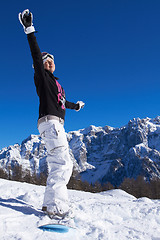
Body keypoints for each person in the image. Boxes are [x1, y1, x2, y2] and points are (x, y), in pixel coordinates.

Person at [18, 9, 85, 220]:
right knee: (62, 164)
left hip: (55, 124)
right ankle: (57, 208)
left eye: (51, 61)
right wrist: (30, 30)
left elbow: (63, 102)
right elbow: (36, 56)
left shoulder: (57, 84)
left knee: (59, 162)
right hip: (50, 123)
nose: (49, 63)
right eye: (46, 61)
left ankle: (49, 205)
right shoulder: (42, 77)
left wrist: (76, 107)